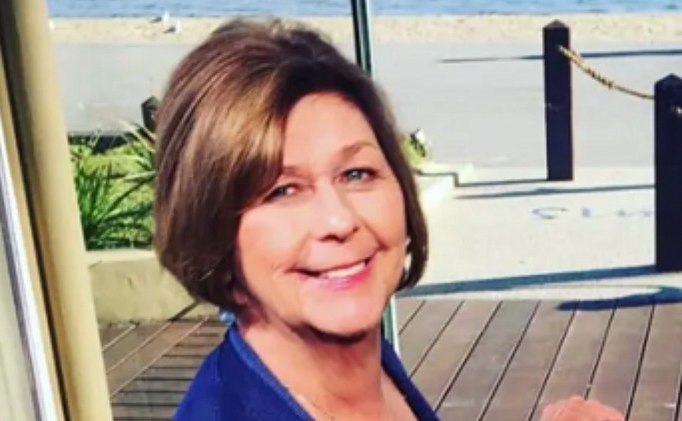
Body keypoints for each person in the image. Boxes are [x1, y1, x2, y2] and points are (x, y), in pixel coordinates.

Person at [153, 17, 624, 421]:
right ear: (213, 234)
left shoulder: (361, 362)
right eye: (282, 191)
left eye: (356, 173)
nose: (339, 220)